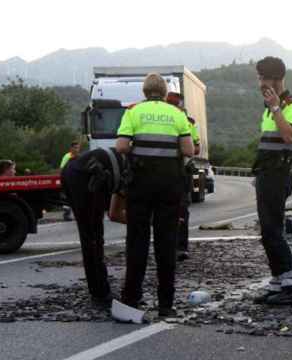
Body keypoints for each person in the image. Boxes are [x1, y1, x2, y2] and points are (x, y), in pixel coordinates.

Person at [115, 73, 194, 317]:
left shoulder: (133, 112)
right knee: (166, 244)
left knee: (137, 242)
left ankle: (131, 301)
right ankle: (165, 305)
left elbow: (121, 146)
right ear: (164, 91)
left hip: (140, 185)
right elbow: (189, 149)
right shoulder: (177, 114)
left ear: (144, 91)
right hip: (169, 185)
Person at [252, 56, 292, 305]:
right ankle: (278, 282)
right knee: (267, 230)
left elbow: (288, 136)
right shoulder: (268, 106)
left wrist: (275, 108)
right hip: (266, 173)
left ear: (277, 79)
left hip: (278, 174)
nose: (260, 82)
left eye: (264, 77)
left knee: (273, 230)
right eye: (259, 77)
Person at [60, 148, 128, 307]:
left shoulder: (133, 167)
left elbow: (116, 214)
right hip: (87, 174)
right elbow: (115, 214)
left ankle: (100, 289)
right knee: (92, 236)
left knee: (92, 236)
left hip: (78, 170)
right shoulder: (137, 177)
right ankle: (100, 293)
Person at [166, 92, 201, 261]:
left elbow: (196, 149)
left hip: (173, 170)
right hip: (176, 171)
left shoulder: (185, 122)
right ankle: (177, 247)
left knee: (175, 209)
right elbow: (195, 149)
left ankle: (175, 247)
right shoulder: (183, 121)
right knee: (179, 209)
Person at [61, 141, 82, 221]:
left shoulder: (80, 157)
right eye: (75, 148)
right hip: (69, 181)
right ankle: (66, 214)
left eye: (78, 148)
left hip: (77, 181)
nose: (77, 150)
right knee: (68, 198)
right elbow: (62, 169)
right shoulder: (67, 156)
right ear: (71, 148)